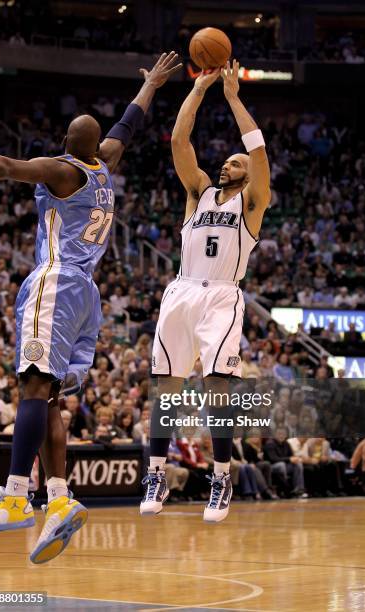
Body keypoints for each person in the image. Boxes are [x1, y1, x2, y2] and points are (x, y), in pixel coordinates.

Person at [0, 52, 182, 563]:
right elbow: (127, 126)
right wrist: (152, 86)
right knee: (48, 398)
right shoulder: (104, 163)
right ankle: (58, 498)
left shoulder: (60, 169)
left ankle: (12, 495)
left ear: (68, 145)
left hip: (55, 281)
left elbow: (4, 167)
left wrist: (150, 89)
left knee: (30, 384)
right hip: (87, 299)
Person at [141, 60, 271, 522]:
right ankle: (155, 472)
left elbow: (257, 153)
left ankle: (221, 476)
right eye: (225, 159)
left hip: (221, 295)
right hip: (180, 291)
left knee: (217, 385)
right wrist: (198, 91)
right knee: (165, 388)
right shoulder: (197, 192)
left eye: (233, 161)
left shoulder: (252, 203)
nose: (226, 163)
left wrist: (234, 97)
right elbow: (179, 141)